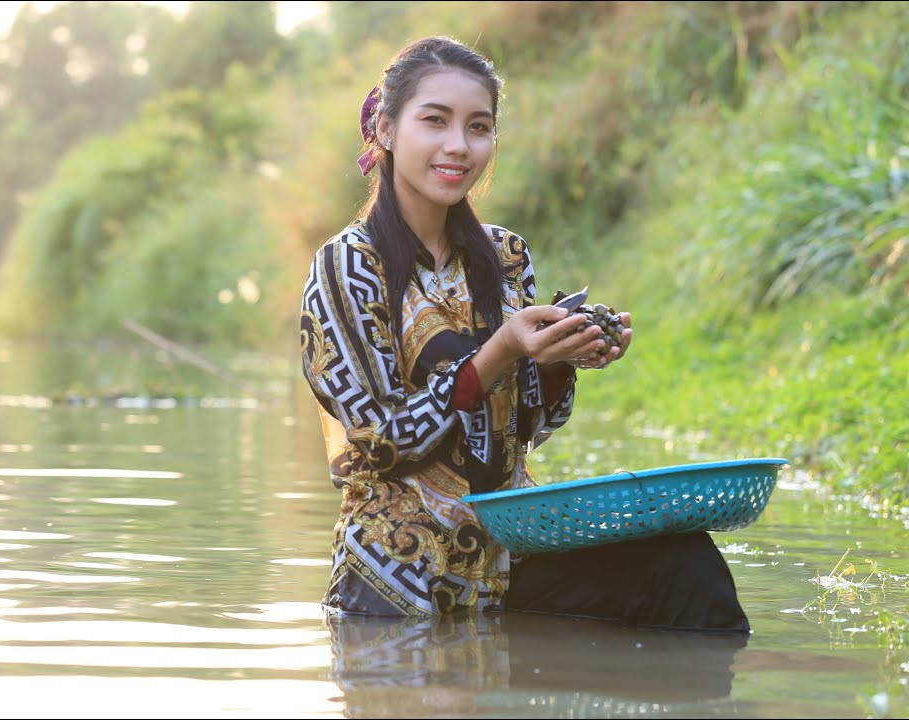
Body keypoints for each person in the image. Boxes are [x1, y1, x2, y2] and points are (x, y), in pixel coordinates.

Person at [298, 35, 749, 632]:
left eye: (478, 127)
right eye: (435, 121)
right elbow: (379, 444)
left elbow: (521, 432)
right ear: (384, 128)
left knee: (683, 568)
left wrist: (564, 357)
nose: (458, 145)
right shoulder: (349, 264)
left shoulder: (505, 255)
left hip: (509, 558)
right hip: (400, 581)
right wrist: (502, 350)